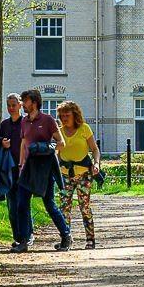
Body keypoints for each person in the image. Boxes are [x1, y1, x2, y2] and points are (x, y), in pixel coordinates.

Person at [9, 88, 71, 253]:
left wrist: (45, 147)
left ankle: (66, 235)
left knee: (49, 204)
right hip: (28, 168)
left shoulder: (48, 120)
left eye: (25, 101)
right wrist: (21, 165)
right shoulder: (24, 121)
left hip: (45, 168)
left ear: (34, 102)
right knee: (22, 204)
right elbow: (23, 144)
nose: (23, 104)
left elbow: (61, 143)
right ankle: (24, 241)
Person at [56, 100, 100, 249]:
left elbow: (95, 149)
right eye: (62, 116)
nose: (64, 118)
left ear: (75, 115)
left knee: (84, 206)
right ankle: (66, 239)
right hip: (65, 174)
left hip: (84, 174)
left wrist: (96, 163)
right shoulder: (59, 132)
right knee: (64, 207)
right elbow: (57, 153)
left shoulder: (84, 129)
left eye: (67, 115)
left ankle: (90, 239)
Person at [0, 94, 23, 244]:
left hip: (23, 169)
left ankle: (27, 234)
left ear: (20, 105)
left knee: (23, 204)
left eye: (14, 105)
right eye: (9, 105)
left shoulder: (26, 123)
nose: (11, 108)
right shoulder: (5, 124)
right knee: (12, 205)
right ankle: (17, 237)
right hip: (8, 169)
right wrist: (2, 142)